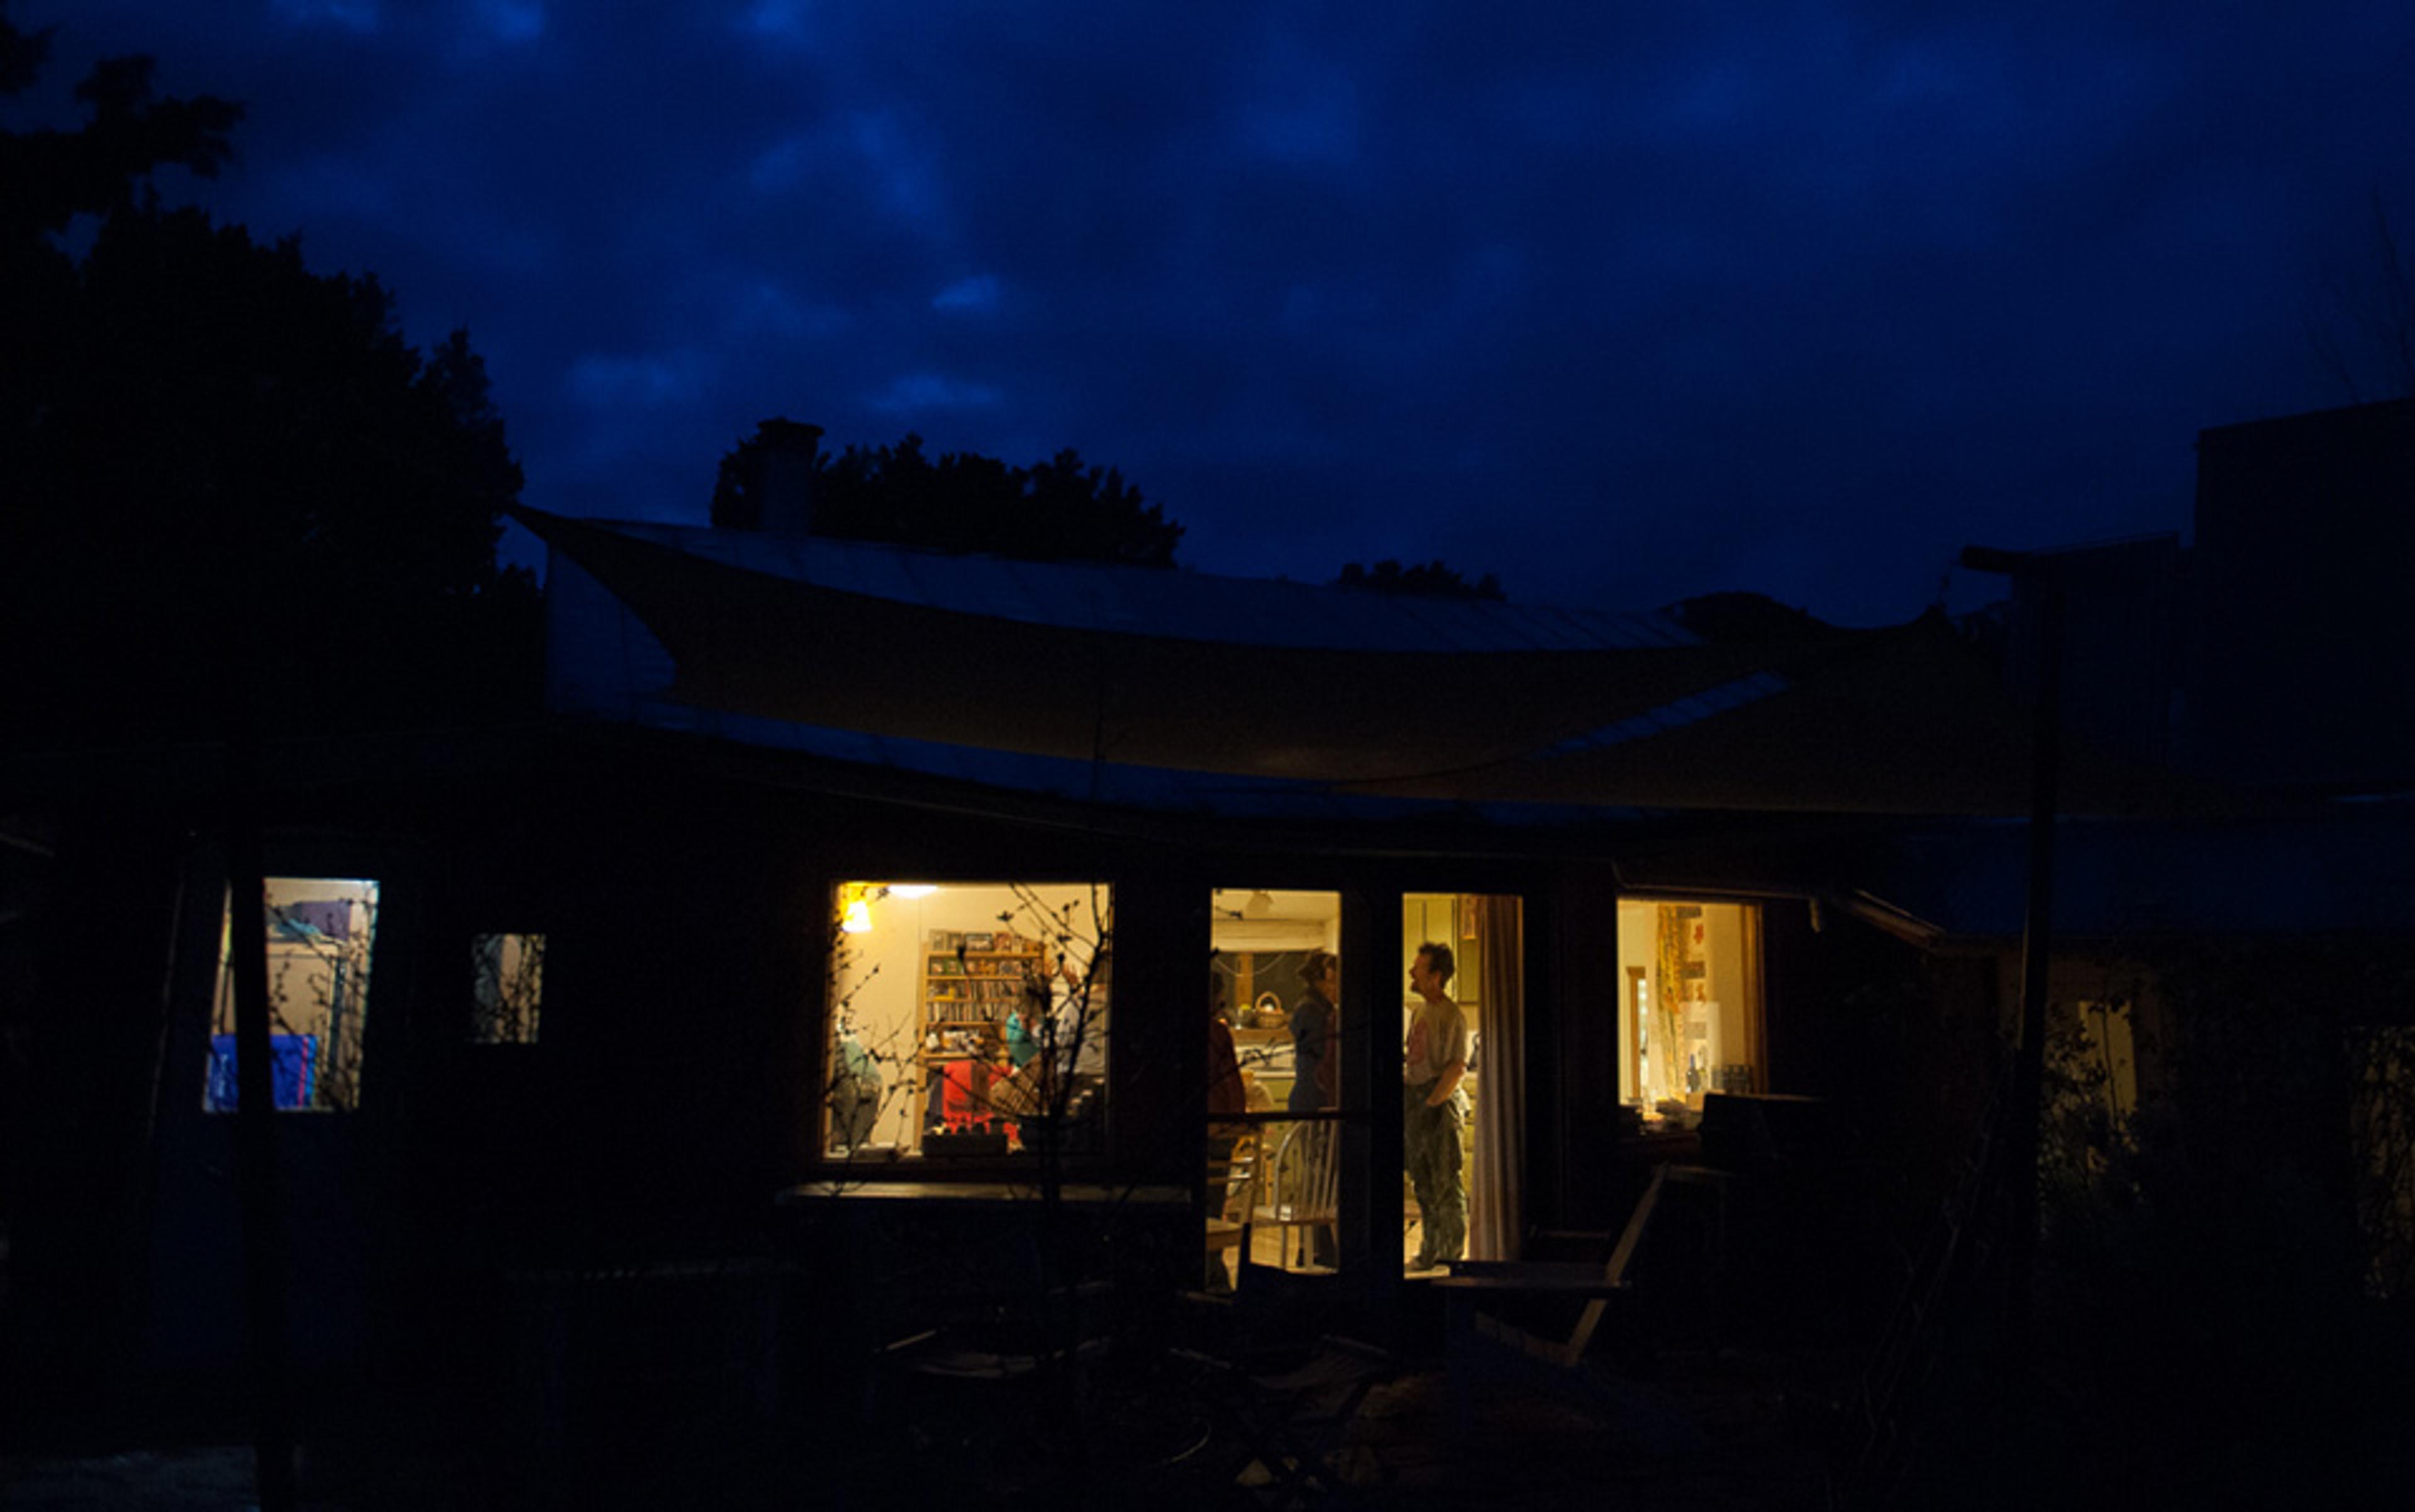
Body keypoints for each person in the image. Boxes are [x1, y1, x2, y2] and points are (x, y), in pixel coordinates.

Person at [1403, 941, 1468, 1274]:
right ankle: (1428, 1252)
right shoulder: (1419, 1012)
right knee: (1423, 1184)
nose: (1412, 972)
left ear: (1436, 976)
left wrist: (1431, 1103)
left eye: (1419, 967)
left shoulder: (1452, 1015)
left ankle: (1450, 1257)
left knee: (1445, 1183)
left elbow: (1457, 1067)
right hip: (1415, 1100)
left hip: (1438, 1104)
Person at [1290, 950, 1341, 1267]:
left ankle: (1317, 1250)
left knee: (1320, 1181)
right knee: (1318, 1181)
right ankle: (1316, 1250)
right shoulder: (1311, 1011)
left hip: (1314, 1098)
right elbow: (1323, 1058)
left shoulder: (1321, 1009)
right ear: (1322, 979)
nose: (1338, 984)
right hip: (1313, 1100)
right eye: (1335, 977)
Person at [1205, 988, 1247, 1291]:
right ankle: (1214, 1275)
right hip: (1217, 1127)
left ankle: (1209, 1274)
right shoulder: (1217, 1035)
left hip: (1202, 1128)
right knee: (1212, 1206)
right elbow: (1231, 1082)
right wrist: (1236, 1121)